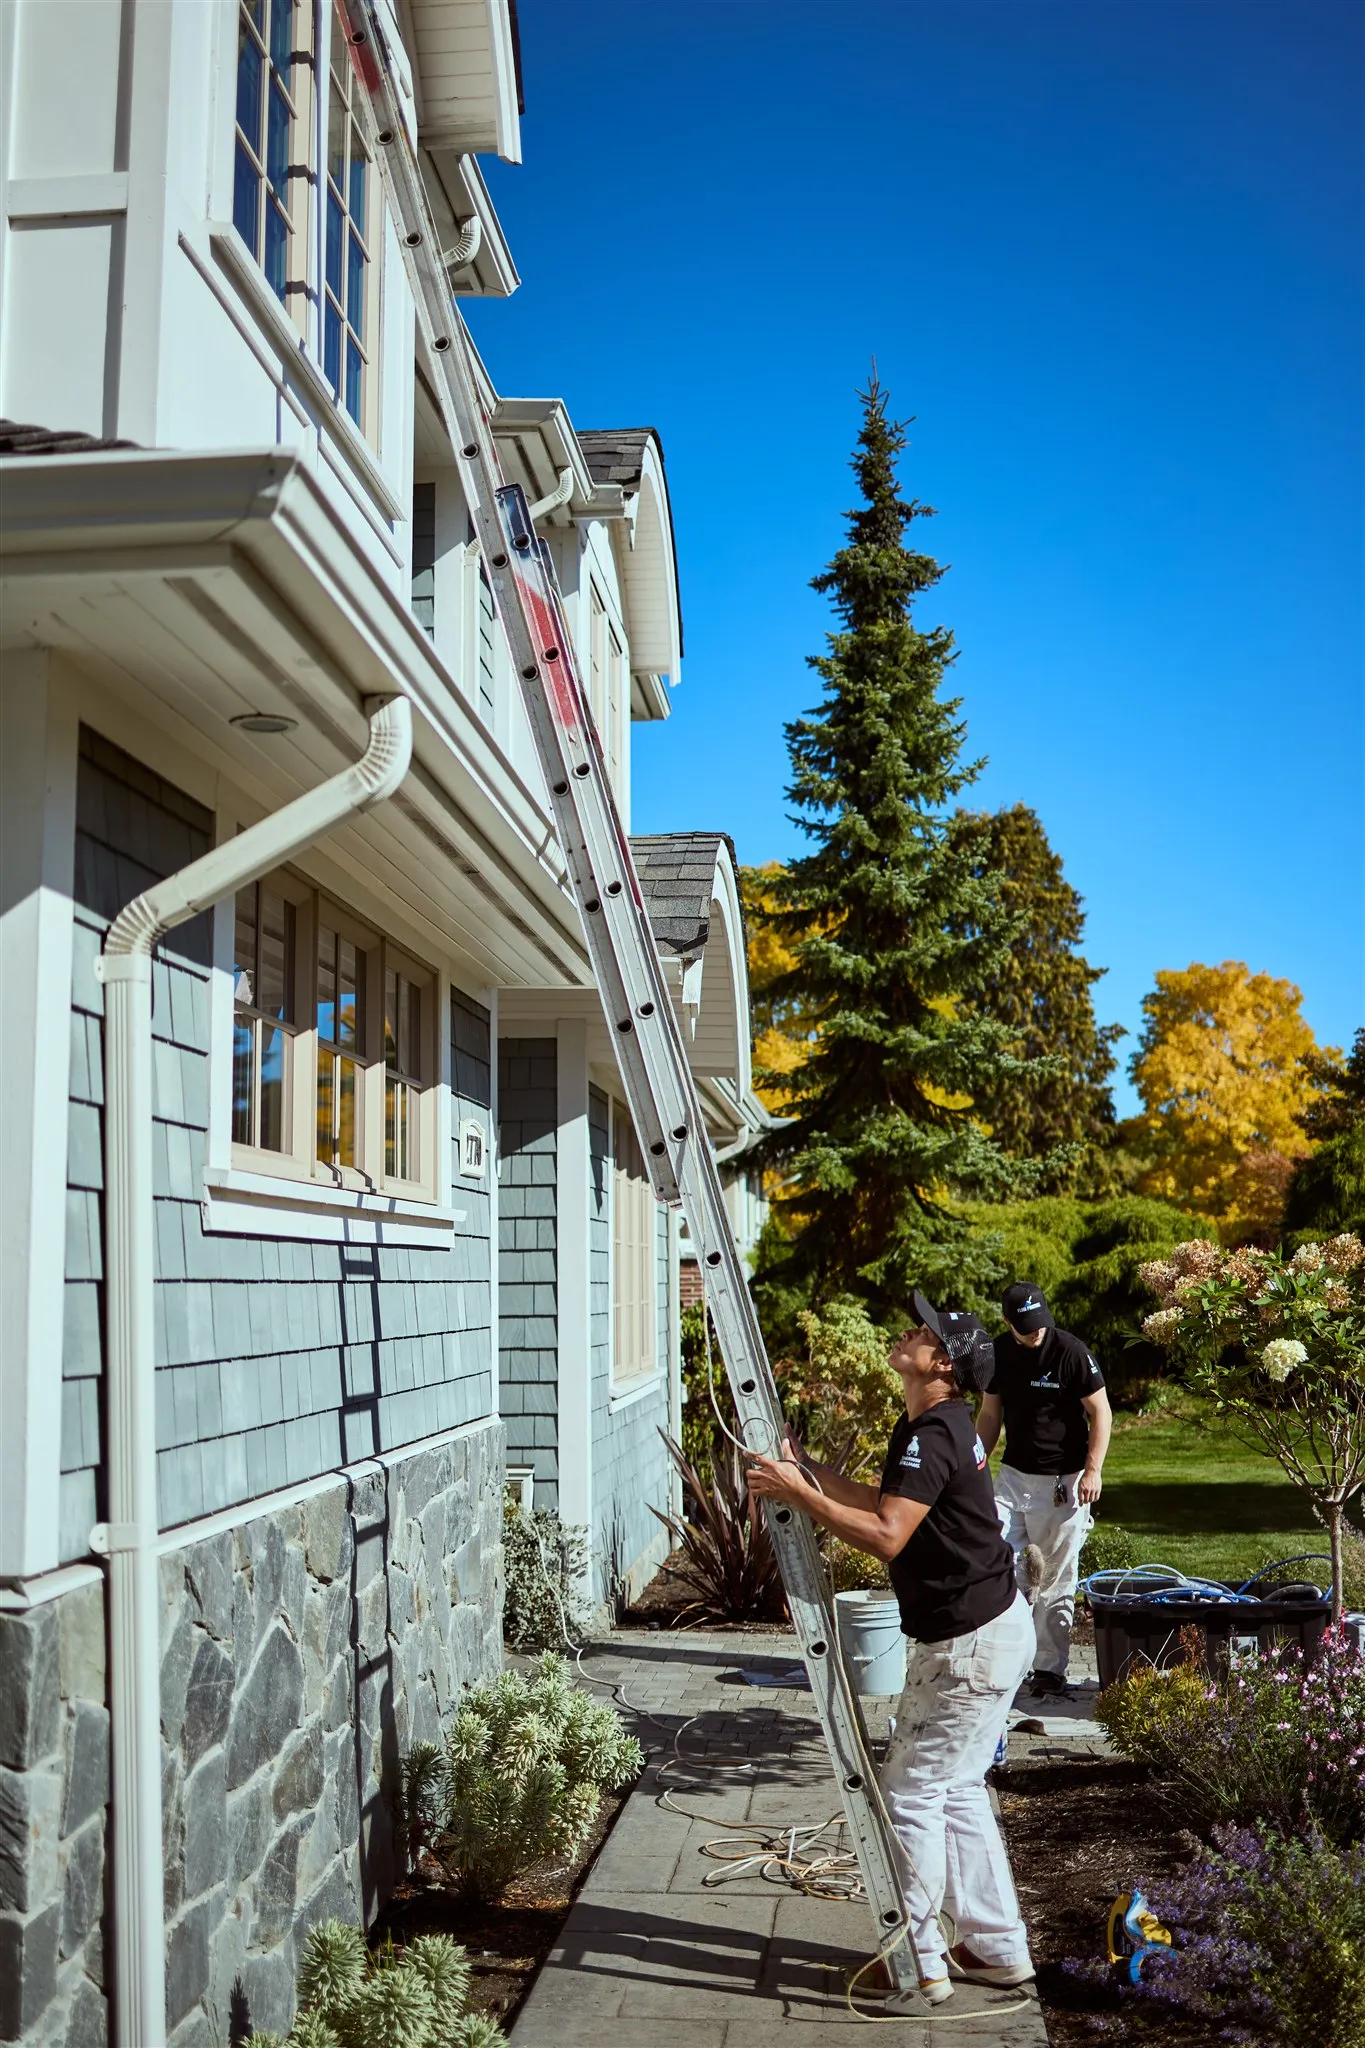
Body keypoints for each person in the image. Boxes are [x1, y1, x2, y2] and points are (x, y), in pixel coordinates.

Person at [746, 1291, 1035, 2010]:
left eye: (923, 1333)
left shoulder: (933, 1432)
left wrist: (796, 1494)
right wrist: (807, 1472)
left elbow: (884, 1536)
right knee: (957, 1789)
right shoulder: (935, 1426)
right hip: (988, 1631)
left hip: (968, 1646)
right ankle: (995, 1949)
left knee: (910, 1793)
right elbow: (887, 1502)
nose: (907, 1332)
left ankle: (914, 1960)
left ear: (941, 1364)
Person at [977, 1280, 1112, 1698]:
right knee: (997, 1566)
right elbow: (989, 1414)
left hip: (1064, 1483)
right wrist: (972, 1464)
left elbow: (1101, 1412)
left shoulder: (1071, 1353)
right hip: (1014, 1478)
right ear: (1007, 1322)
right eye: (1025, 1326)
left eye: (1039, 1324)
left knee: (1055, 1579)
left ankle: (1049, 1672)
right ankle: (1003, 1662)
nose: (1035, 1333)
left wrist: (1093, 1471)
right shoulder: (997, 1354)